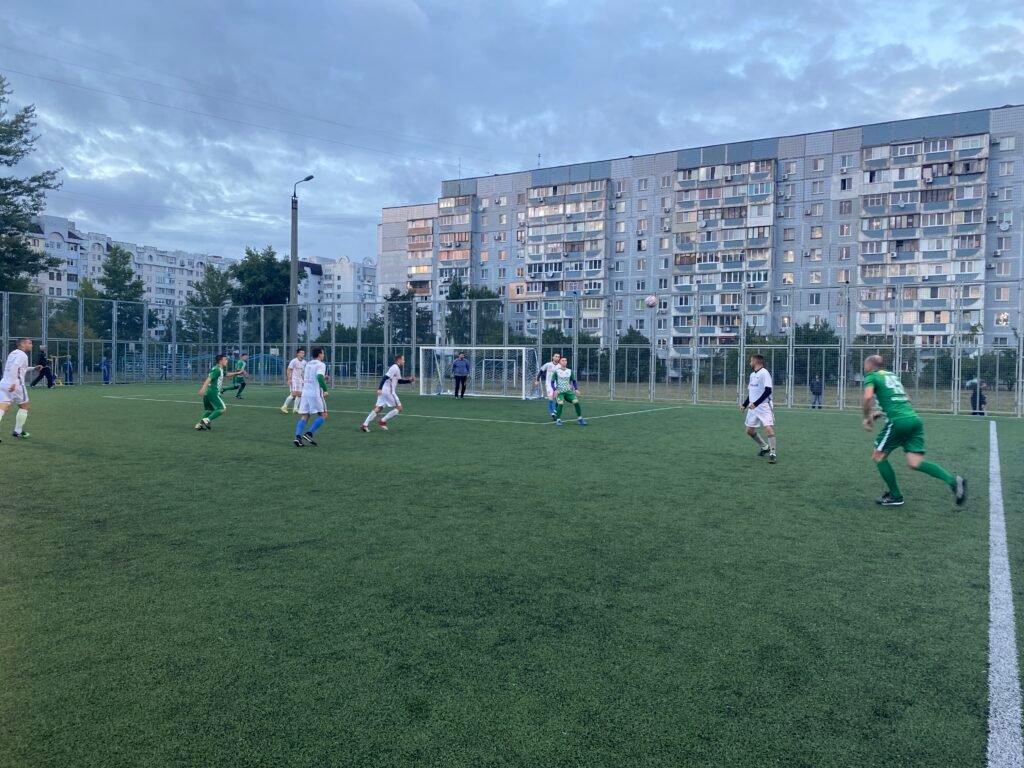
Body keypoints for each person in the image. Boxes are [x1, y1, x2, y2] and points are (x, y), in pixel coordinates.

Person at [862, 354, 966, 507]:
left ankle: (896, 496)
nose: (864, 369)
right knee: (915, 462)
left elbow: (867, 397)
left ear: (870, 366)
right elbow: (906, 398)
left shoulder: (871, 376)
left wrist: (866, 417)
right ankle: (953, 482)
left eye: (865, 366)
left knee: (878, 456)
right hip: (914, 420)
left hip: (898, 422)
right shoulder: (892, 376)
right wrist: (879, 413)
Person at [0, 338, 42, 442]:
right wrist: (13, 382)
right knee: (25, 407)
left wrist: (33, 368)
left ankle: (18, 431)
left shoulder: (13, 353)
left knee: (2, 408)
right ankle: (17, 431)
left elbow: (20, 368)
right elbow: (15, 367)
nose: (31, 345)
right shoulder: (23, 355)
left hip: (4, 383)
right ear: (23, 344)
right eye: (29, 343)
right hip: (16, 385)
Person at [360, 353, 416, 432]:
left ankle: (365, 425)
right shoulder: (394, 368)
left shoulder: (396, 368)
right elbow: (385, 377)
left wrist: (409, 381)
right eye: (403, 359)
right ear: (399, 360)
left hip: (384, 391)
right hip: (389, 391)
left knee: (379, 408)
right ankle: (382, 421)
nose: (404, 361)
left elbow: (399, 381)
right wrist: (379, 388)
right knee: (399, 408)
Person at [740, 354, 776, 464]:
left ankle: (773, 453)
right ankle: (765, 447)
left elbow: (768, 391)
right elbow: (752, 392)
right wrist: (744, 404)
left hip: (764, 406)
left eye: (751, 361)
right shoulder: (752, 375)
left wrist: (756, 403)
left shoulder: (764, 373)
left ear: (756, 362)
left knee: (768, 428)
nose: (750, 363)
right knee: (749, 431)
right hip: (753, 407)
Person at [194, 354, 244, 431]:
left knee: (210, 410)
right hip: (213, 392)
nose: (227, 361)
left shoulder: (217, 368)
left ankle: (199, 425)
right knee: (222, 409)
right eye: (225, 359)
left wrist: (237, 373)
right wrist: (203, 388)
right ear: (220, 361)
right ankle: (207, 420)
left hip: (208, 392)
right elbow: (209, 378)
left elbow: (225, 374)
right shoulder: (217, 369)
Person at [294, 347, 329, 447]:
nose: (323, 355)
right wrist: (325, 389)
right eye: (323, 353)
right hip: (315, 393)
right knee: (324, 415)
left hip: (305, 392)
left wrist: (322, 378)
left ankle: (297, 437)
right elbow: (319, 377)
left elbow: (303, 375)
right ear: (319, 354)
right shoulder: (321, 364)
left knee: (305, 416)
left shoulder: (308, 364)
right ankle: (309, 434)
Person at [551, 357, 586, 426]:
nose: (564, 361)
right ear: (560, 362)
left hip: (568, 392)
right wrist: (555, 390)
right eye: (562, 360)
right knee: (561, 403)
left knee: (576, 402)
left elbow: (574, 381)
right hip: (560, 392)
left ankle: (580, 419)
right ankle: (558, 420)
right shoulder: (556, 372)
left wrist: (576, 389)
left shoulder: (570, 371)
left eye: (565, 360)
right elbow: (552, 382)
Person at [536, 352, 561, 420]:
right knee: (551, 398)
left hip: (556, 384)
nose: (557, 358)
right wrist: (537, 380)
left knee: (558, 399)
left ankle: (555, 410)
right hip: (549, 384)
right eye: (556, 356)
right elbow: (541, 371)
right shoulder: (548, 364)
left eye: (558, 357)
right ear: (553, 357)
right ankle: (552, 414)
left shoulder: (560, 366)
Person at [281, 348, 306, 414]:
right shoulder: (294, 361)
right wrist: (289, 379)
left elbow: (302, 372)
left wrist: (304, 380)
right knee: (294, 394)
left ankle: (295, 408)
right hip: (294, 379)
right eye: (302, 353)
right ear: (298, 354)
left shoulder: (304, 362)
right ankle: (284, 407)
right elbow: (289, 370)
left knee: (300, 394)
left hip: (300, 380)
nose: (303, 354)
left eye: (303, 353)